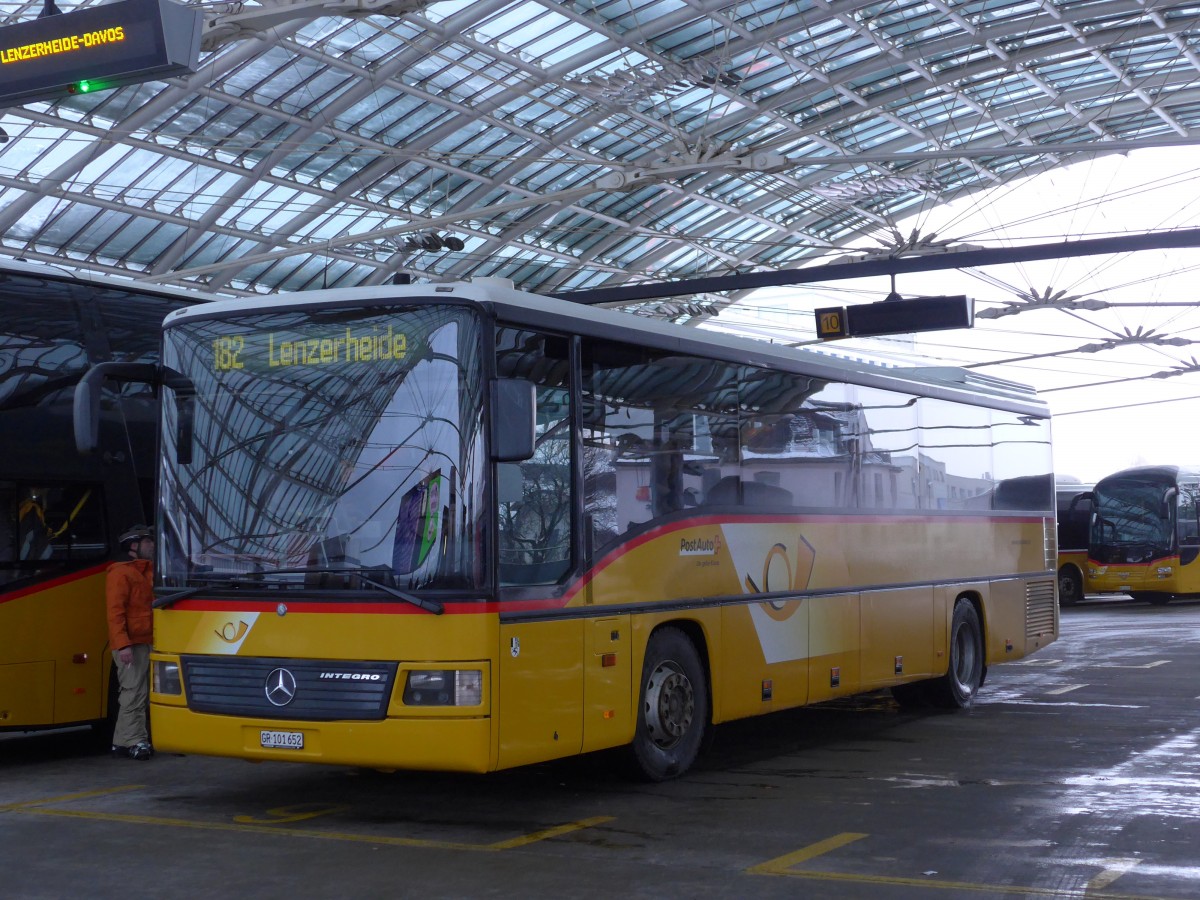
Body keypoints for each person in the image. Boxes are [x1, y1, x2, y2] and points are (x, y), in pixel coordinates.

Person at [106, 524, 155, 760]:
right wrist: (122, 644)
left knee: (139, 693)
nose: (152, 545)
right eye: (147, 542)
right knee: (133, 692)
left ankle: (122, 742)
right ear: (134, 546)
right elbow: (114, 612)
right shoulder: (121, 573)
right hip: (131, 644)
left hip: (144, 641)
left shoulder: (146, 571)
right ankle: (136, 741)